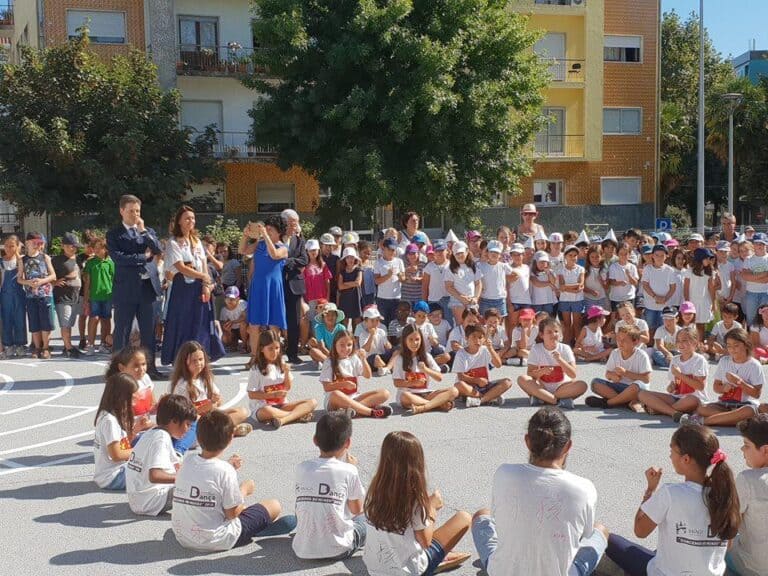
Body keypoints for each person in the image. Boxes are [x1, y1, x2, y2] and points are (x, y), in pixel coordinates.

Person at [472, 407, 608, 576]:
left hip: (502, 572)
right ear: (568, 446)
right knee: (600, 530)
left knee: (482, 515)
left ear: (527, 441)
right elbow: (585, 534)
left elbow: (497, 518)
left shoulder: (504, 472)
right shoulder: (584, 488)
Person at [606, 425, 739, 576]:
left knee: (608, 538)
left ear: (686, 459)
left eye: (672, 451)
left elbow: (640, 530)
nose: (670, 457)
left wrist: (650, 490)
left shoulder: (671, 493)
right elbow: (727, 545)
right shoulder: (725, 494)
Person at [172, 410, 292, 552]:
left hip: (183, 536)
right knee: (274, 505)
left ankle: (255, 525)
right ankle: (256, 530)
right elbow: (232, 514)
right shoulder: (225, 470)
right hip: (216, 539)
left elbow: (207, 472)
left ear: (198, 437)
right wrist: (244, 490)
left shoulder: (188, 461)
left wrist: (228, 466)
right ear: (230, 439)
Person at [363, 431, 472, 575]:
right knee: (464, 518)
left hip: (374, 569)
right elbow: (425, 542)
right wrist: (431, 509)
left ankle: (439, 557)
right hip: (408, 571)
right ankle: (436, 560)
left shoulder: (374, 488)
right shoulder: (413, 497)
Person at [293, 412, 366, 560]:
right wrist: (351, 467)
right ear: (347, 443)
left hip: (301, 549)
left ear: (315, 440)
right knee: (369, 517)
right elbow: (357, 509)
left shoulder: (302, 468)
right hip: (339, 549)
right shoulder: (349, 470)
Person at [107, 195, 163, 379]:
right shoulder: (114, 234)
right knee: (122, 331)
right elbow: (118, 258)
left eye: (137, 211)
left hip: (147, 288)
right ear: (122, 211)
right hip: (126, 289)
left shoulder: (147, 231)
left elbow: (157, 249)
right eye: (131, 211)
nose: (135, 214)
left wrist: (144, 231)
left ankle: (150, 369)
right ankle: (118, 371)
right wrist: (143, 257)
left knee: (148, 332)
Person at [161, 205, 224, 367]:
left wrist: (206, 284)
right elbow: (180, 267)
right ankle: (180, 359)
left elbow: (203, 264)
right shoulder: (173, 243)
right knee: (183, 322)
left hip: (198, 286)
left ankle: (200, 357)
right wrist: (202, 276)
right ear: (179, 221)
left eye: (193, 218)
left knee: (200, 322)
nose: (191, 221)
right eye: (187, 218)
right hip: (182, 287)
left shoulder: (197, 242)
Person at [126, 394, 197, 516]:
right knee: (200, 486)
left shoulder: (151, 433)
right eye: (187, 424)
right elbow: (155, 475)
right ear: (174, 420)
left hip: (139, 498)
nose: (188, 429)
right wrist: (185, 478)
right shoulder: (161, 438)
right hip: (152, 501)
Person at [683, 327, 765, 427]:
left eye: (736, 345)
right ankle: (736, 420)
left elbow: (756, 394)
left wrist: (739, 382)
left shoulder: (755, 365)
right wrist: (723, 388)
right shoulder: (724, 361)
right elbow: (716, 387)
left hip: (745, 405)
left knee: (749, 411)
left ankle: (704, 421)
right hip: (725, 404)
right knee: (702, 409)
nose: (732, 349)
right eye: (729, 346)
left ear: (746, 345)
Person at [170, 341, 252, 437]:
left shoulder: (205, 378)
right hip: (194, 420)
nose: (198, 363)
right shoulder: (182, 385)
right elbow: (184, 413)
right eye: (194, 361)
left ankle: (223, 431)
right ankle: (228, 431)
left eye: (200, 359)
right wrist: (208, 406)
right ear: (184, 362)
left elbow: (218, 402)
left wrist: (216, 400)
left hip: (209, 415)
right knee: (197, 424)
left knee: (242, 412)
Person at [239, 215, 288, 360]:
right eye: (266, 229)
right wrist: (245, 235)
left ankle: (275, 358)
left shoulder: (283, 248)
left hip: (273, 288)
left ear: (279, 231)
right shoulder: (259, 244)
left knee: (274, 325)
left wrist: (265, 236)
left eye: (271, 229)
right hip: (258, 287)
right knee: (254, 325)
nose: (267, 231)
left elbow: (274, 255)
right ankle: (254, 358)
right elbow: (243, 250)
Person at [247, 330, 317, 429]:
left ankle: (283, 419)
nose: (274, 352)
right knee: (268, 411)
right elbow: (251, 394)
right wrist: (273, 395)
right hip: (263, 407)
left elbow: (287, 387)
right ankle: (297, 415)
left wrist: (287, 372)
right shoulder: (256, 368)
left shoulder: (281, 363)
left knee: (312, 402)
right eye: (270, 349)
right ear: (262, 349)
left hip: (282, 405)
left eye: (277, 348)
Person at [639, 326, 709, 422]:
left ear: (695, 343)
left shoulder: (699, 360)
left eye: (684, 341)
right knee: (642, 394)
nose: (680, 344)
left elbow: (700, 386)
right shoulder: (675, 359)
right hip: (677, 398)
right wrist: (671, 387)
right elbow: (674, 384)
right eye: (678, 341)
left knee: (692, 399)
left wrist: (680, 375)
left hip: (693, 399)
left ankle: (661, 409)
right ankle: (673, 412)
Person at [726, 415, 768, 576]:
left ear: (765, 450)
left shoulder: (748, 479)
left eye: (746, 445)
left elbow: (729, 525)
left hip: (756, 569)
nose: (742, 450)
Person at [517, 317, 587, 409]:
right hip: (542, 387)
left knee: (582, 385)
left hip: (562, 387)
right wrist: (542, 371)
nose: (554, 334)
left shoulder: (565, 348)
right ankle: (556, 401)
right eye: (549, 332)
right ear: (541, 335)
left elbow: (573, 374)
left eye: (556, 331)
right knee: (522, 379)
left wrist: (560, 360)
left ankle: (542, 398)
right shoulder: (536, 349)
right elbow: (530, 374)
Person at [320, 329, 392, 418]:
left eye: (349, 345)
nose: (346, 348)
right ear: (335, 345)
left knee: (384, 393)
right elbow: (327, 387)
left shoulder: (354, 358)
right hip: (335, 401)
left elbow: (368, 375)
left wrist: (363, 359)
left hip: (354, 398)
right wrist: (344, 384)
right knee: (335, 394)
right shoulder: (329, 362)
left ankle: (351, 411)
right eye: (342, 345)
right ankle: (371, 412)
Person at [394, 323, 459, 414]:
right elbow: (396, 383)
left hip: (426, 394)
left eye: (417, 339)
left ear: (421, 340)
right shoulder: (400, 359)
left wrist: (426, 370)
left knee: (454, 391)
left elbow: (439, 377)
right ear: (405, 341)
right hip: (410, 394)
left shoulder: (427, 356)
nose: (414, 343)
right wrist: (413, 383)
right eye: (411, 339)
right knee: (404, 396)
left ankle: (424, 407)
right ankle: (437, 404)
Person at [586, 325, 651, 413]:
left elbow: (646, 379)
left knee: (635, 386)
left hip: (635, 390)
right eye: (618, 339)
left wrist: (626, 373)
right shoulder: (615, 353)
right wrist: (612, 376)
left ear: (635, 342)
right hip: (619, 387)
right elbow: (608, 374)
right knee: (595, 383)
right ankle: (626, 402)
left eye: (624, 340)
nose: (620, 342)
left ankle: (608, 402)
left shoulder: (642, 355)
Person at [93, 373, 141, 490]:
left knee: (145, 438)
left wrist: (136, 430)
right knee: (152, 472)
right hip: (113, 476)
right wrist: (142, 452)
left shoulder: (111, 415)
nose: (136, 400)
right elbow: (117, 455)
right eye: (133, 397)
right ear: (121, 397)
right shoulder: (110, 421)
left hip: (116, 471)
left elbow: (122, 446)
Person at [453, 324, 511, 407]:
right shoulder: (461, 353)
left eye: (480, 337)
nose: (477, 340)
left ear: (484, 339)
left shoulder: (485, 350)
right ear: (466, 338)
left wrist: (491, 349)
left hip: (484, 386)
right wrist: (477, 380)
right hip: (469, 386)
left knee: (507, 382)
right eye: (474, 337)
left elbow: (498, 365)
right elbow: (461, 376)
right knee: (459, 385)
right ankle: (490, 397)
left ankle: (481, 400)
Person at [18, 232, 56, 359]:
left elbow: (53, 275)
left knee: (46, 323)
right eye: (34, 242)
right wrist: (28, 282)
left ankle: (46, 348)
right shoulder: (22, 259)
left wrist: (42, 281)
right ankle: (37, 347)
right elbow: (19, 279)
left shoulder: (45, 257)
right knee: (34, 323)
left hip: (45, 294)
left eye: (39, 243)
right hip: (30, 296)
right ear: (27, 243)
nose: (37, 245)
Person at [281, 209, 308, 364]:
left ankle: (292, 353)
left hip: (295, 285)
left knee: (294, 321)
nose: (294, 226)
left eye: (296, 223)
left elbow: (304, 260)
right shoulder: (276, 238)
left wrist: (287, 261)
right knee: (275, 320)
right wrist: (293, 262)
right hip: (278, 284)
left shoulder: (299, 240)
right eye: (292, 223)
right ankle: (274, 353)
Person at [50, 233, 83, 358]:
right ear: (63, 246)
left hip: (75, 296)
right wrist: (55, 282)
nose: (73, 248)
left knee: (70, 323)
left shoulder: (79, 259)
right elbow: (47, 274)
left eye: (75, 246)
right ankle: (69, 348)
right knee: (65, 323)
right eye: (70, 246)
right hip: (62, 296)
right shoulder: (56, 260)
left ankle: (66, 345)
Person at [82, 237, 114, 355]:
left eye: (99, 248)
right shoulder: (90, 263)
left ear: (105, 249)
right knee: (94, 319)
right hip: (94, 297)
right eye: (94, 248)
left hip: (108, 296)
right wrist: (86, 299)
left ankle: (104, 344)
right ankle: (90, 345)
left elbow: (114, 280)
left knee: (106, 320)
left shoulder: (110, 263)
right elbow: (87, 283)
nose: (96, 250)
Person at [641, 244, 677, 337]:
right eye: (657, 255)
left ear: (666, 256)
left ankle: (661, 345)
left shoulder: (670, 270)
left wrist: (665, 299)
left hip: (665, 307)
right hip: (650, 305)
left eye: (662, 255)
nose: (659, 258)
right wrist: (655, 297)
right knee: (650, 328)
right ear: (652, 255)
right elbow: (645, 285)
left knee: (664, 329)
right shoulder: (647, 269)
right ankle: (651, 345)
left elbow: (673, 287)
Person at [0, 235, 27, 358]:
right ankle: (8, 345)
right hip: (5, 295)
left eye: (12, 246)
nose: (8, 248)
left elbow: (23, 275)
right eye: (6, 246)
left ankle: (20, 345)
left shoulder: (21, 261)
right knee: (6, 320)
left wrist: (18, 255)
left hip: (19, 294)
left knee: (20, 319)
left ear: (17, 246)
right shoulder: (1, 261)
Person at [444, 241, 482, 326]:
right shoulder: (450, 268)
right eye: (457, 253)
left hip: (471, 301)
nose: (459, 255)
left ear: (467, 251)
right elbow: (449, 287)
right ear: (453, 255)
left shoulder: (473, 266)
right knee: (461, 324)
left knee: (473, 324)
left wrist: (476, 298)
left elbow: (478, 283)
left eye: (461, 253)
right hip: (457, 301)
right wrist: (461, 297)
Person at [685, 247, 717, 342]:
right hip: (692, 302)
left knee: (701, 325)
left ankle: (700, 344)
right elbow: (686, 288)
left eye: (709, 258)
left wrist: (713, 303)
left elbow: (711, 288)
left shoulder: (709, 272)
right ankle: (692, 344)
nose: (708, 260)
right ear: (699, 259)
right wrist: (687, 303)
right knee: (691, 325)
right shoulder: (689, 271)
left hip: (704, 302)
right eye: (706, 258)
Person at [355, 305, 394, 376]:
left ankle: (385, 368)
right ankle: (387, 367)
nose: (375, 323)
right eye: (372, 321)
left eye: (377, 320)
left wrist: (388, 345)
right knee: (376, 357)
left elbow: (388, 347)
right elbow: (366, 349)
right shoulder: (363, 334)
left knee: (397, 350)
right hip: (370, 359)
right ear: (365, 321)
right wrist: (372, 335)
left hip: (381, 356)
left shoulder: (381, 331)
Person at [374, 237, 405, 327]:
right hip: (382, 299)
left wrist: (400, 277)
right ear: (384, 248)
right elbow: (376, 281)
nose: (392, 252)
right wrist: (388, 275)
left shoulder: (399, 261)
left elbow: (403, 278)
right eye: (390, 249)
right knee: (382, 325)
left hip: (396, 298)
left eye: (394, 249)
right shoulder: (378, 262)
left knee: (394, 325)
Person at [558, 245, 585, 346]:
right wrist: (574, 289)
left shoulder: (581, 269)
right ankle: (566, 345)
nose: (573, 257)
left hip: (578, 300)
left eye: (575, 255)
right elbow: (561, 286)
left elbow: (580, 284)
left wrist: (566, 288)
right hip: (564, 300)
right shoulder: (560, 269)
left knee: (577, 324)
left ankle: (578, 346)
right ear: (565, 256)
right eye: (570, 255)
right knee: (567, 324)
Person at [308, 302, 346, 369]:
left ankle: (329, 363)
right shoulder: (319, 328)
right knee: (313, 351)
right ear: (323, 317)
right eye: (327, 315)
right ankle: (332, 363)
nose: (330, 317)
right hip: (326, 353)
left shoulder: (341, 328)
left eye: (333, 315)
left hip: (338, 352)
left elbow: (344, 345)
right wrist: (332, 357)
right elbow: (321, 346)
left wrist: (338, 356)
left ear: (337, 316)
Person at [337, 246, 363, 327]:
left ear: (355, 258)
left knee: (357, 322)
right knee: (345, 321)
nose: (350, 259)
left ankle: (357, 336)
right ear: (345, 259)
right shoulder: (342, 271)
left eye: (352, 257)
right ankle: (345, 335)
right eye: (347, 257)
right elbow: (340, 286)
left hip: (356, 298)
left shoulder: (358, 270)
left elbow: (358, 283)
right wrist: (352, 283)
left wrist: (345, 283)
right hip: (345, 299)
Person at [220, 286, 247, 352]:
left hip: (244, 330)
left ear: (238, 299)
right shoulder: (224, 310)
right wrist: (226, 328)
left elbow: (244, 317)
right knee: (225, 338)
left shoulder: (242, 304)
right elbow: (222, 323)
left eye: (232, 298)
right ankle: (233, 344)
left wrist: (233, 322)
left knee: (242, 324)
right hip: (233, 330)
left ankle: (245, 345)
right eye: (227, 298)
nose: (230, 300)